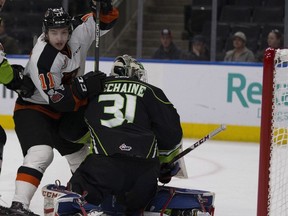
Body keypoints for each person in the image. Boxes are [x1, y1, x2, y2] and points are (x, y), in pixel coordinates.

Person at [0, 2, 119, 215]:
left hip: (65, 112)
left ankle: (94, 200)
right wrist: (83, 86)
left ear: (70, 29)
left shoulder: (79, 32)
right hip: (34, 110)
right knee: (41, 153)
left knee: (81, 157)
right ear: (45, 33)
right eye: (54, 32)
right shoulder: (43, 58)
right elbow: (59, 100)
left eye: (63, 32)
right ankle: (19, 206)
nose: (59, 38)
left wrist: (105, 6)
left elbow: (106, 21)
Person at [66, 54, 183, 215]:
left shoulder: (95, 90)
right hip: (144, 173)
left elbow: (70, 132)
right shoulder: (152, 92)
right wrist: (165, 166)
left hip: (103, 169)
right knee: (135, 207)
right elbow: (172, 135)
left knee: (74, 199)